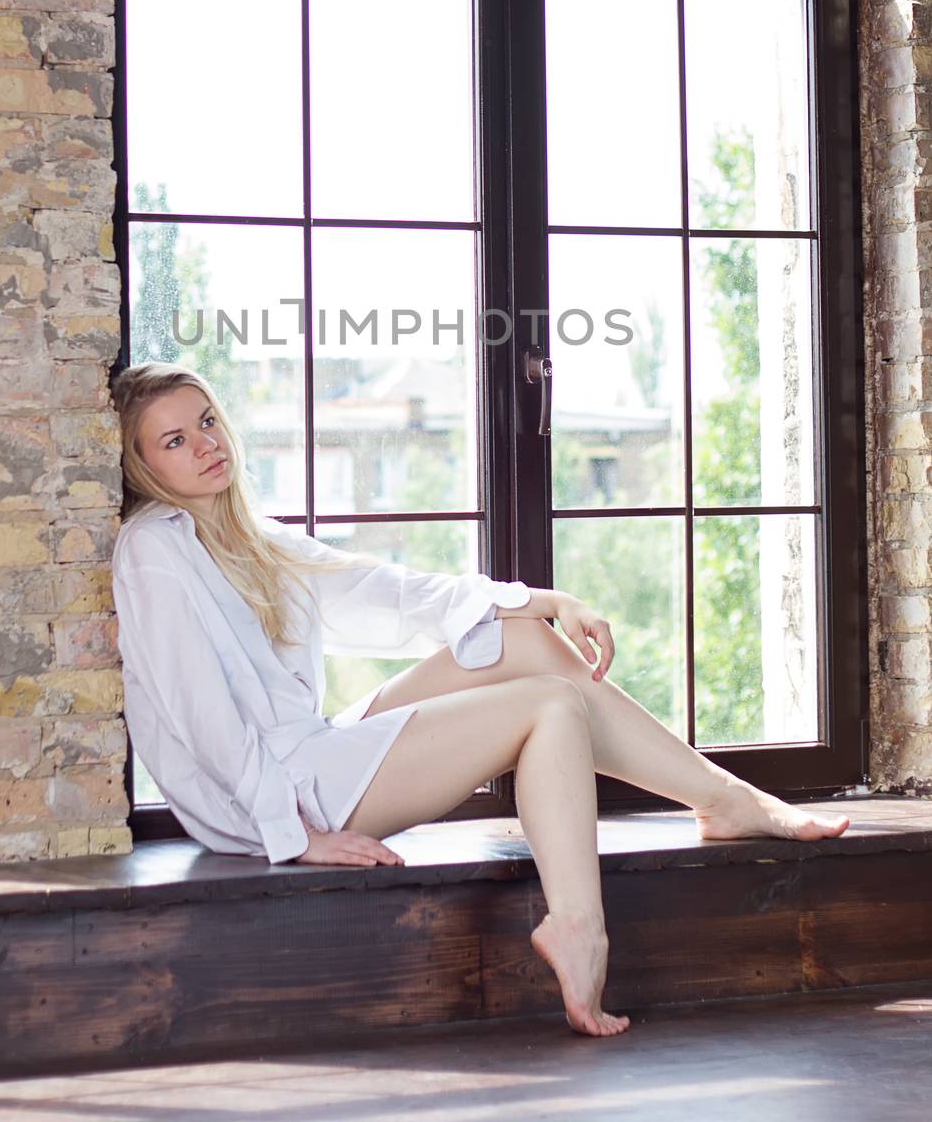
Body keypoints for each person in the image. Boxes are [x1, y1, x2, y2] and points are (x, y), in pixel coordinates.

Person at [110, 360, 850, 1039]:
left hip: (311, 750)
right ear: (141, 466)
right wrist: (291, 834)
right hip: (279, 797)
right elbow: (197, 712)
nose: (204, 445)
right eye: (173, 440)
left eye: (206, 421)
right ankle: (576, 926)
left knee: (521, 641)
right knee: (549, 707)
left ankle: (722, 799)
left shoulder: (243, 535)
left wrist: (541, 600)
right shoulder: (154, 547)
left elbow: (383, 591)